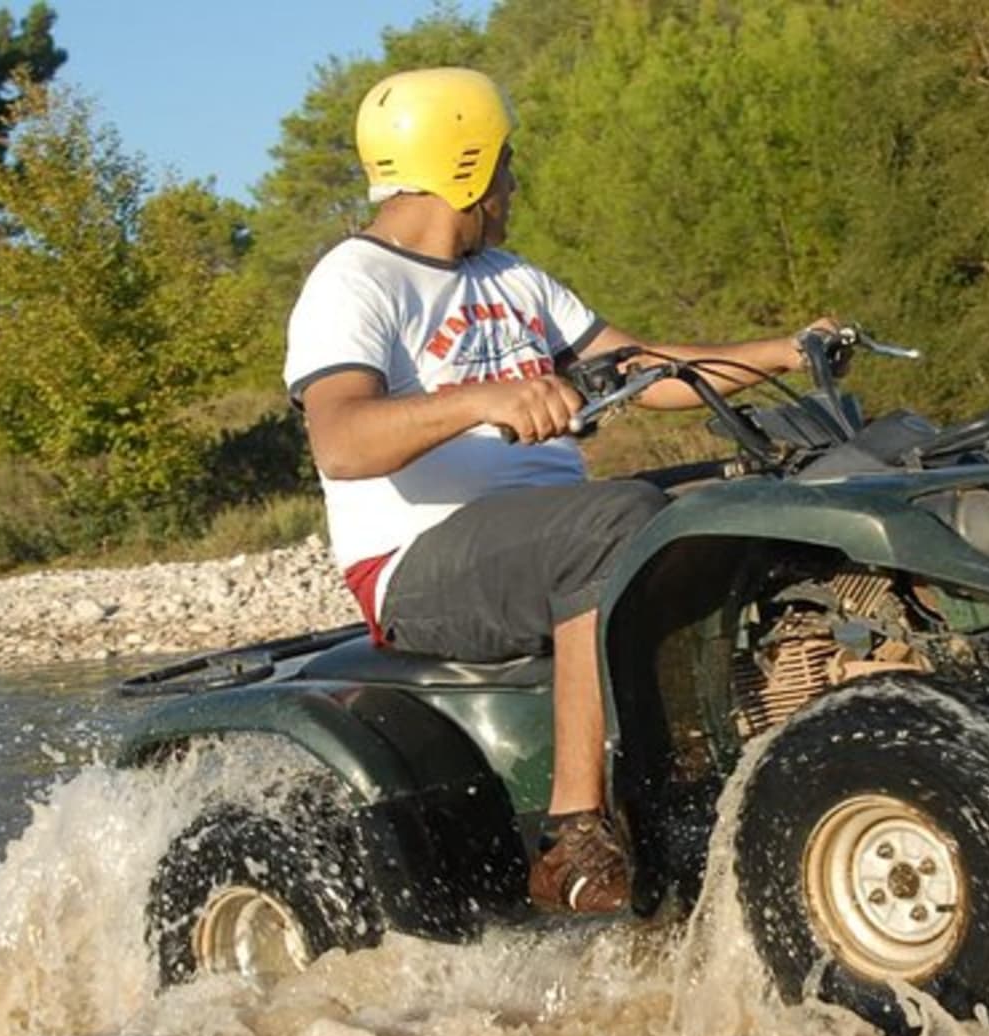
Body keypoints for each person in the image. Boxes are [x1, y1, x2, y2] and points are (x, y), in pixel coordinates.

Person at [284, 66, 830, 915]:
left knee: (734, 507)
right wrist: (485, 399)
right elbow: (341, 439)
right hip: (419, 561)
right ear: (465, 165)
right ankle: (573, 837)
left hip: (549, 529)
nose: (512, 183)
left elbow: (647, 369)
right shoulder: (355, 281)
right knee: (614, 521)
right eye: (503, 163)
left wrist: (790, 350)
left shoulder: (515, 279)